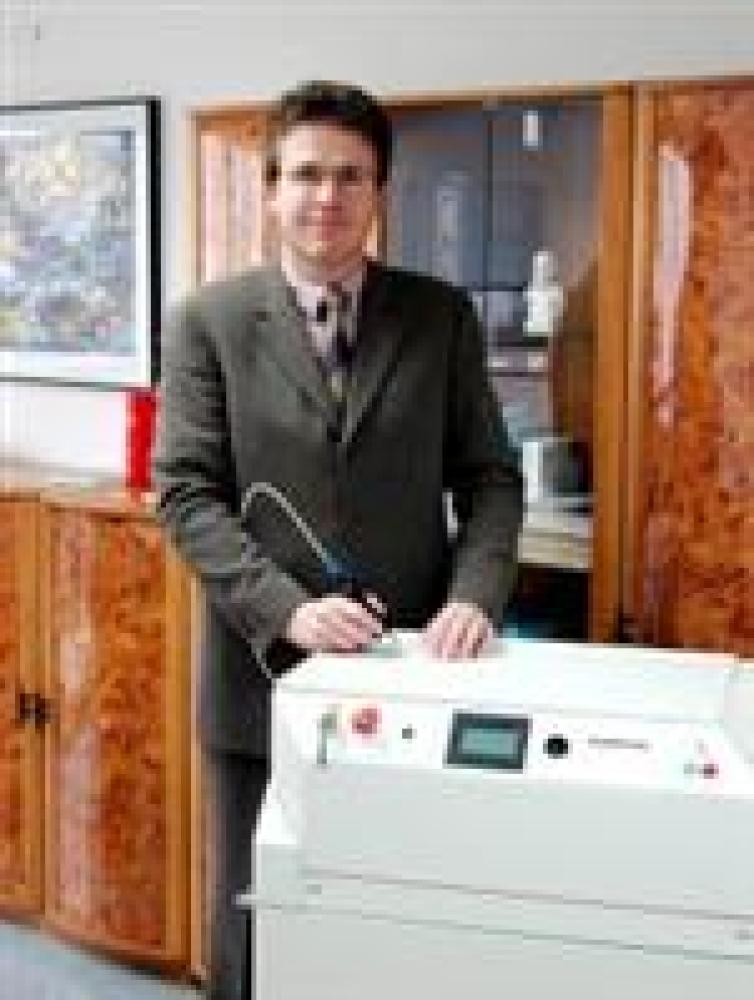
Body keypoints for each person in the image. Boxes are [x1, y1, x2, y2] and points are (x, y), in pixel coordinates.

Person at [153, 80, 523, 1000]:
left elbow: (490, 478)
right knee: (255, 928)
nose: (328, 196)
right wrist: (287, 611)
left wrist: (474, 596)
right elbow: (188, 494)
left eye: (351, 176)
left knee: (392, 925)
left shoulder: (440, 316)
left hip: (411, 676)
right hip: (261, 683)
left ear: (378, 192)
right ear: (272, 190)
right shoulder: (209, 322)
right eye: (307, 174)